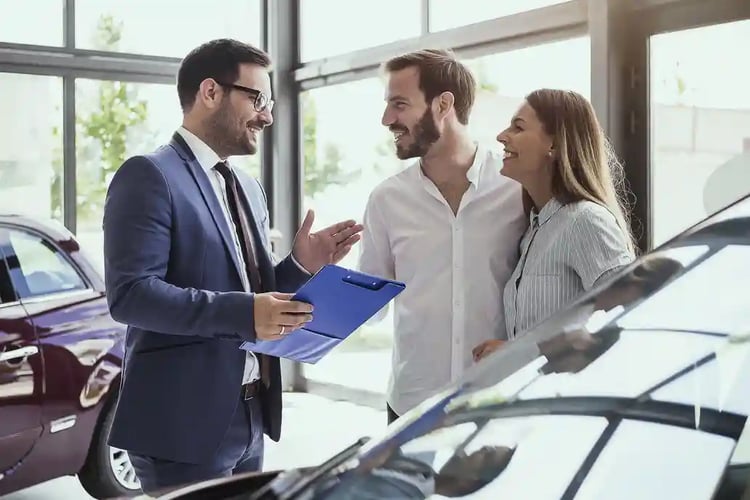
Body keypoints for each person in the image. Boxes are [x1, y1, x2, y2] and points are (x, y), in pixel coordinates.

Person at [102, 38, 362, 494]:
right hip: (180, 426)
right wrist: (244, 313)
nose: (267, 115)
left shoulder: (247, 186)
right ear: (210, 92)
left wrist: (301, 264)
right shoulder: (148, 175)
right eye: (257, 98)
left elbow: (251, 293)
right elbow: (132, 295)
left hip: (249, 415)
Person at [357, 49, 527, 423]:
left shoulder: (516, 189)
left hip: (498, 400)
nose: (387, 119)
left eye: (399, 104)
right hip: (411, 406)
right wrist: (313, 274)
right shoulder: (387, 200)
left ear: (443, 104)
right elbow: (367, 307)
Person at [473, 88, 636, 362]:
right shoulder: (534, 229)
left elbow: (628, 319)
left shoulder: (586, 221)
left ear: (555, 145)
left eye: (518, 127)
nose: (502, 136)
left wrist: (518, 352)